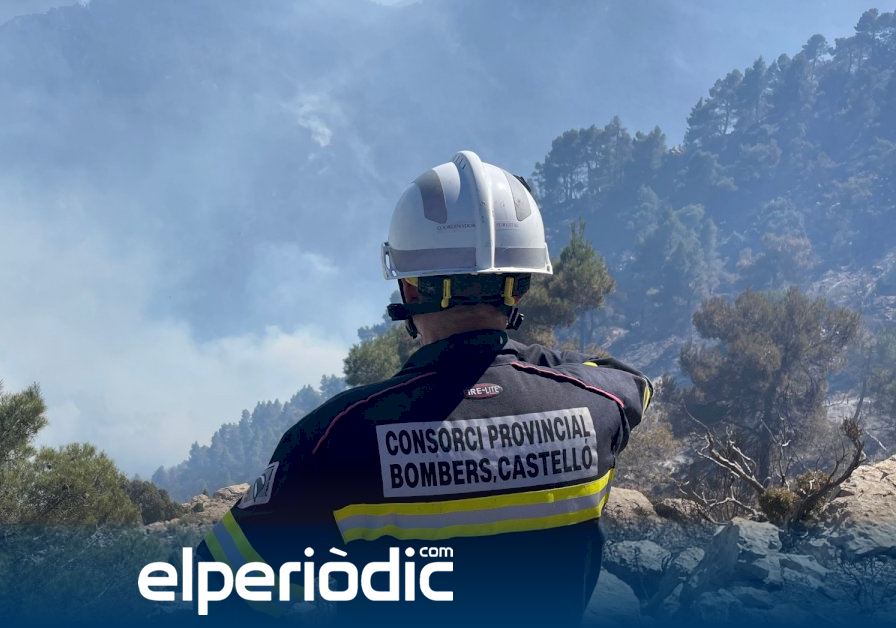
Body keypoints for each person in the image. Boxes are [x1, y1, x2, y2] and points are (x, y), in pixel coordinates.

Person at [195, 151, 652, 624]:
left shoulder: (333, 440)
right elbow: (628, 381)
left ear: (409, 290)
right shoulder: (601, 404)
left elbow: (216, 593)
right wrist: (522, 361)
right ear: (520, 286)